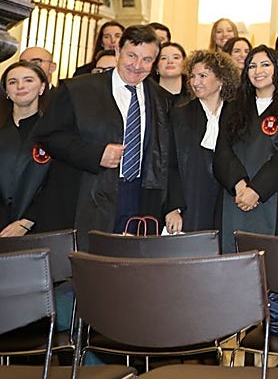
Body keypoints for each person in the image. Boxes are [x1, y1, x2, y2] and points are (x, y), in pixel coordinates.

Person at [36, 25, 182, 243]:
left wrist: (172, 204)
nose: (137, 65)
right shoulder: (78, 90)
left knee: (132, 270)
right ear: (117, 52)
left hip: (141, 197)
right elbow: (49, 136)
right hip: (88, 197)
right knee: (90, 267)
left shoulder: (163, 99)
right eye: (132, 55)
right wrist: (96, 154)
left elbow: (168, 157)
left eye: (147, 60)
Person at [213, 45, 278, 251]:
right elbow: (223, 152)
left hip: (273, 196)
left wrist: (257, 190)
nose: (258, 71)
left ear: (277, 69)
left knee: (269, 266)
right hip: (235, 195)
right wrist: (239, 185)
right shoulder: (233, 106)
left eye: (265, 65)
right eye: (252, 66)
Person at [170, 49, 238, 234]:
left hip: (229, 202)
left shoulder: (238, 115)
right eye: (192, 76)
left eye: (203, 76)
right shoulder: (180, 115)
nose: (195, 82)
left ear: (221, 79)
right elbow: (170, 165)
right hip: (192, 203)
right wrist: (173, 208)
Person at [0, 61, 51, 237]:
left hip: (38, 226)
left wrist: (27, 221)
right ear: (6, 90)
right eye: (12, 82)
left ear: (42, 87)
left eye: (28, 80)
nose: (20, 86)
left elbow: (58, 183)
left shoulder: (54, 131)